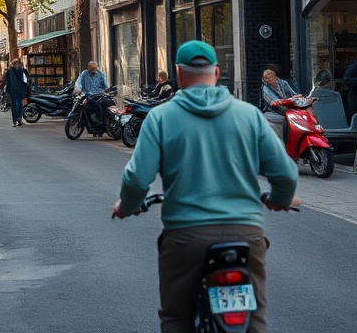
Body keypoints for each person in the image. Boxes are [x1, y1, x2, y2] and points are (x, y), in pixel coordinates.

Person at [112, 40, 299, 333]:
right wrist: (280, 199)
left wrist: (128, 206)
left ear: (177, 73)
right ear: (217, 71)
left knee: (177, 319)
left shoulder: (161, 118)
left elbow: (136, 178)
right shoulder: (248, 115)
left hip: (186, 237)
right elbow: (286, 174)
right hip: (245, 235)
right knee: (254, 321)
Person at [259, 64, 297, 143]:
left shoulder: (283, 83)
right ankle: (286, 143)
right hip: (273, 111)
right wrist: (276, 103)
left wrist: (298, 96)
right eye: (266, 78)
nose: (268, 80)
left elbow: (292, 93)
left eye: (270, 77)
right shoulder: (265, 88)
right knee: (287, 121)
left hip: (287, 108)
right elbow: (272, 100)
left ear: (275, 76)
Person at [1, 58, 30, 126]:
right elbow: (27, 79)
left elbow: (7, 80)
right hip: (20, 90)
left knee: (14, 105)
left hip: (13, 90)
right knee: (19, 104)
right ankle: (19, 120)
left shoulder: (9, 71)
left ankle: (15, 120)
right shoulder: (23, 71)